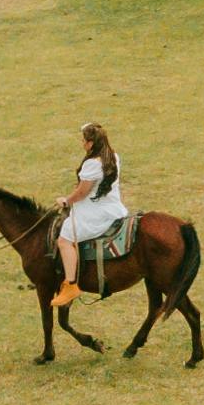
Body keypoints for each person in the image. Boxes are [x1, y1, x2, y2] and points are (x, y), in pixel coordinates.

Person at [51, 122, 126, 307]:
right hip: (113, 207)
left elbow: (82, 193)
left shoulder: (92, 164)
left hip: (94, 212)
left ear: (91, 143)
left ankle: (71, 284)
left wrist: (66, 201)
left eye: (83, 140)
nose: (82, 143)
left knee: (64, 240)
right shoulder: (113, 157)